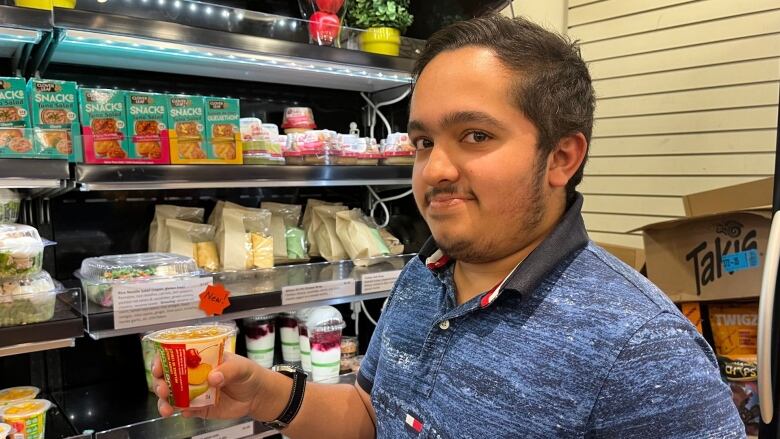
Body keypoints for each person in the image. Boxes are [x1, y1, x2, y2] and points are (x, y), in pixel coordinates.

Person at [154, 14, 745, 438]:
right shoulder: (423, 276)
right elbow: (371, 415)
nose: (435, 169)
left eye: (476, 136)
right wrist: (268, 395)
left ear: (562, 158)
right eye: (423, 141)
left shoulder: (642, 349)